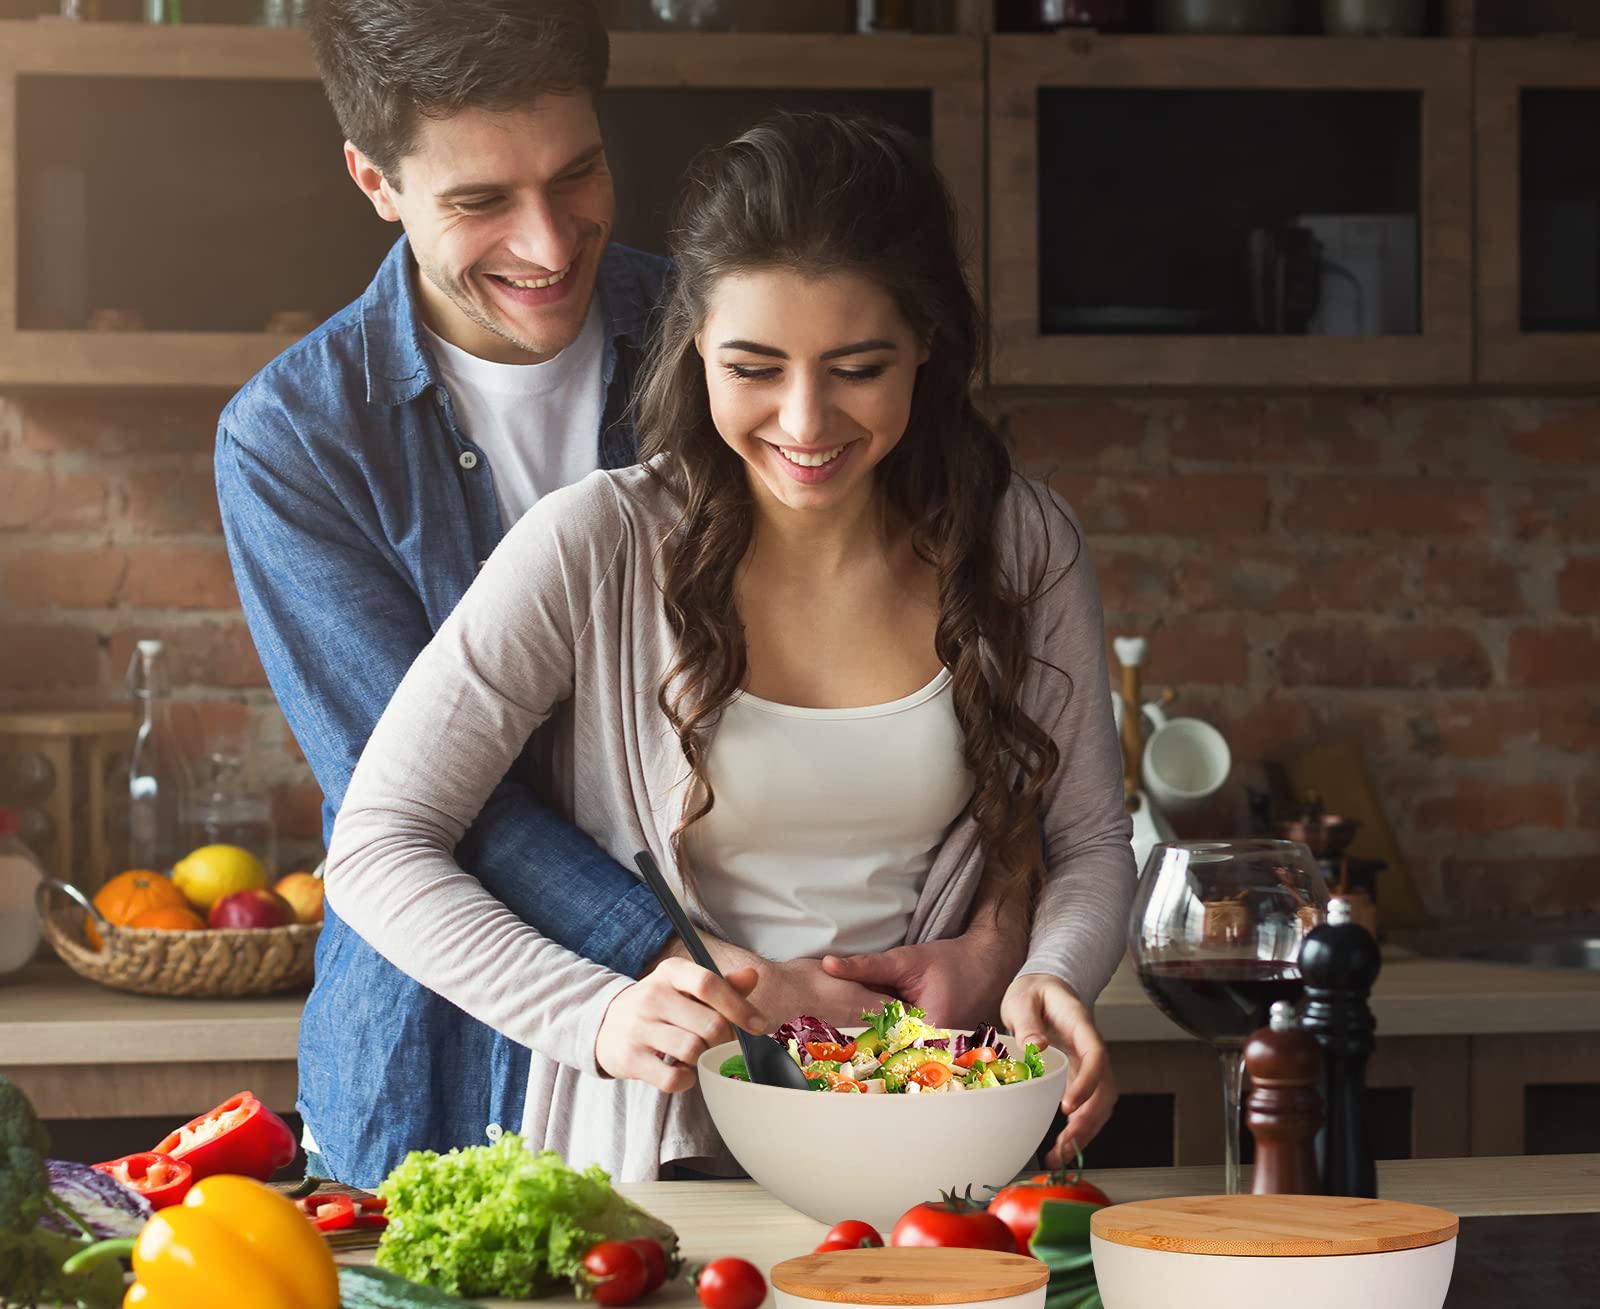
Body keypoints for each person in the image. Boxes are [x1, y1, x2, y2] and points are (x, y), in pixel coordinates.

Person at [216, 1, 1031, 1189]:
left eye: (578, 172)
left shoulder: (730, 328)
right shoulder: (294, 439)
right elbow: (424, 803)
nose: (549, 243)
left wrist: (1001, 934)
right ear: (374, 181)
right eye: (481, 202)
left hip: (758, 1072)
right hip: (446, 1045)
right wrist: (694, 959)